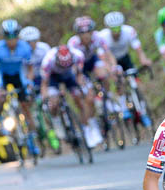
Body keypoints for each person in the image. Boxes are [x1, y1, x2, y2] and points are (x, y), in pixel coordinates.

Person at [0, 19, 40, 156]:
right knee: (1, 97)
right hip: (3, 76)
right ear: (4, 37)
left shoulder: (24, 47)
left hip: (18, 75)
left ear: (18, 36)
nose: (11, 41)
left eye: (14, 37)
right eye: (8, 37)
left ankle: (32, 137)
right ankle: (0, 117)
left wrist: (29, 82)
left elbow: (29, 68)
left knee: (25, 104)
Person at [98, 11, 153, 127]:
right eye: (113, 29)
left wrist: (144, 60)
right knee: (120, 82)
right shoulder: (102, 37)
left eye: (118, 28)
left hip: (125, 58)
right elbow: (103, 58)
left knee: (136, 82)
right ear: (108, 28)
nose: (116, 32)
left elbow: (138, 49)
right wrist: (111, 69)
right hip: (111, 60)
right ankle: (124, 108)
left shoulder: (129, 31)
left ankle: (142, 110)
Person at [67, 16, 113, 147]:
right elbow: (74, 67)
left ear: (92, 32)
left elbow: (108, 54)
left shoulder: (98, 38)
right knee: (89, 97)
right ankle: (91, 126)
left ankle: (107, 96)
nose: (86, 35)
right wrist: (80, 80)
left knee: (103, 73)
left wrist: (112, 67)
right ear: (78, 34)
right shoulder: (73, 43)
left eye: (88, 32)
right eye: (82, 33)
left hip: (92, 60)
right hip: (79, 66)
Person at [40, 45, 93, 134]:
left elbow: (79, 75)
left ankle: (86, 128)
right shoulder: (48, 61)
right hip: (54, 77)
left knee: (79, 97)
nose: (63, 67)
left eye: (66, 65)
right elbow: (44, 83)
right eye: (61, 65)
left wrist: (82, 88)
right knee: (53, 102)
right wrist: (45, 98)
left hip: (69, 75)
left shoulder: (78, 55)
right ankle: (57, 122)